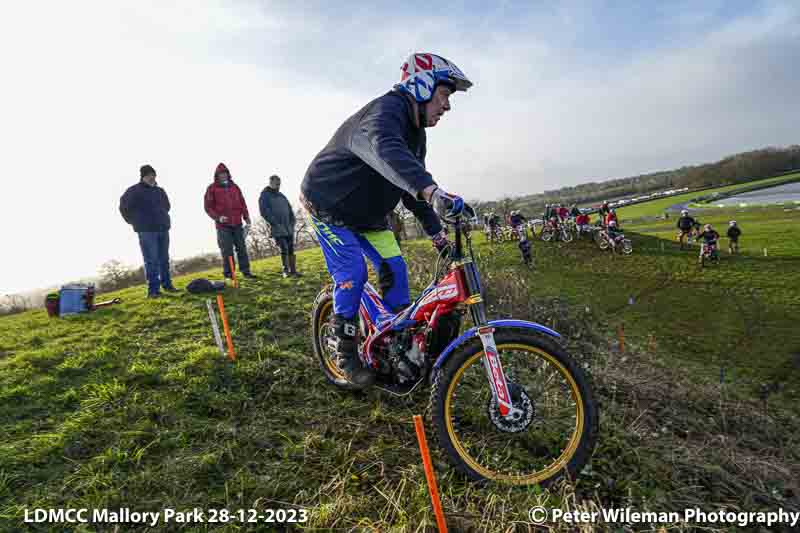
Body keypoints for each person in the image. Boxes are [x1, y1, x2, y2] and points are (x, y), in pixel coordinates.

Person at [300, 52, 471, 388]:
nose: (447, 106)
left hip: (369, 214)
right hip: (327, 205)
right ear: (422, 86)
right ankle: (345, 353)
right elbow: (387, 149)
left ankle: (397, 345)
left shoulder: (417, 133)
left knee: (395, 268)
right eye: (444, 95)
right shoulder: (384, 114)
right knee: (352, 272)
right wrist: (431, 190)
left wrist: (437, 234)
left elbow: (410, 186)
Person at [119, 165, 177, 298]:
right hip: (146, 231)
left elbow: (167, 206)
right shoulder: (133, 191)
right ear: (143, 176)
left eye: (153, 175)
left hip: (162, 228)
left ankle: (167, 285)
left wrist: (163, 218)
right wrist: (135, 222)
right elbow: (123, 208)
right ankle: (153, 291)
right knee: (151, 260)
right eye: (148, 175)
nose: (152, 177)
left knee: (164, 259)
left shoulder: (160, 191)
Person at [204, 163, 257, 279]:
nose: (223, 176)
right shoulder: (212, 188)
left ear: (228, 174)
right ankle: (229, 274)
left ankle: (246, 271)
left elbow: (242, 203)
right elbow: (208, 207)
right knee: (227, 251)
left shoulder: (235, 187)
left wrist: (246, 217)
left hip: (237, 223)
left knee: (242, 248)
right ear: (217, 176)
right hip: (223, 226)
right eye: (220, 174)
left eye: (225, 174)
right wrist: (218, 217)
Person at [259, 174, 299, 278]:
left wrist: (292, 220)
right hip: (277, 226)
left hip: (288, 226)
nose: (278, 185)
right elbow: (264, 211)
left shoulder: (282, 196)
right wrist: (274, 222)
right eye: (276, 183)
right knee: (284, 248)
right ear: (271, 182)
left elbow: (289, 208)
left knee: (290, 248)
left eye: (279, 183)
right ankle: (286, 271)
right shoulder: (265, 195)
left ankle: (293, 271)